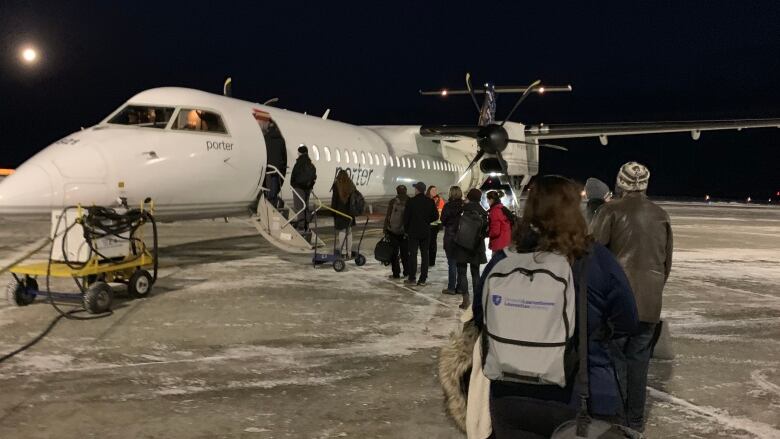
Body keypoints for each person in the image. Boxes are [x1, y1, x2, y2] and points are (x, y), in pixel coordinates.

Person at [474, 175, 639, 437]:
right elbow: (628, 321)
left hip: (510, 397)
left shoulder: (504, 260)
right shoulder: (595, 260)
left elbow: (479, 315)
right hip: (582, 397)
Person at [591, 162, 673, 432]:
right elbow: (666, 264)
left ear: (620, 183)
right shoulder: (661, 215)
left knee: (614, 361)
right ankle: (635, 423)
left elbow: (594, 255)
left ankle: (616, 419)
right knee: (639, 364)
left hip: (617, 303)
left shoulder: (610, 210)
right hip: (649, 302)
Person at [454, 188, 488, 309]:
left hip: (462, 245)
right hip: (476, 246)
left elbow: (455, 227)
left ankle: (465, 299)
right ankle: (477, 300)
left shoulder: (462, 210)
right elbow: (485, 232)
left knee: (462, 272)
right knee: (475, 273)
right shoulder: (483, 212)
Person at [403, 182, 438, 286]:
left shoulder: (411, 201)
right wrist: (427, 221)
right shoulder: (430, 201)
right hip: (425, 232)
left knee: (413, 255)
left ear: (417, 190)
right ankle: (423, 279)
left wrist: (407, 229)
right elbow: (435, 216)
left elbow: (406, 218)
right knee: (425, 255)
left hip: (413, 232)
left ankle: (412, 278)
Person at [439, 186, 464, 296]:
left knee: (452, 263)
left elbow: (443, 220)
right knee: (461, 264)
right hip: (462, 237)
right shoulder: (464, 206)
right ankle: (460, 287)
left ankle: (451, 287)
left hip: (450, 237)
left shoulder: (448, 206)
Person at [384, 185, 410, 280]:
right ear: (406, 191)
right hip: (405, 232)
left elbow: (388, 216)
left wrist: (385, 229)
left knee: (394, 254)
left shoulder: (393, 201)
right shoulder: (410, 201)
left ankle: (396, 273)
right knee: (405, 254)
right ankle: (407, 272)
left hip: (393, 232)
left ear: (397, 191)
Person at [291, 145, 317, 232]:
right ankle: (306, 225)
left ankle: (301, 226)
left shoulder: (299, 163)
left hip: (298, 188)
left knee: (299, 207)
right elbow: (314, 176)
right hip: (307, 188)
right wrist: (310, 186)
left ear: (300, 153)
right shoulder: (310, 164)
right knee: (305, 206)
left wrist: (293, 185)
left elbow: (294, 175)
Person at [331, 170, 356, 257]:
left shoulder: (337, 185)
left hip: (340, 212)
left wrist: (333, 211)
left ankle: (342, 251)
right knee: (349, 232)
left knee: (342, 231)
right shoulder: (351, 185)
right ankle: (349, 252)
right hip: (350, 213)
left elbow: (334, 200)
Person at [427, 185, 445, 266]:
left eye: (435, 190)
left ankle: (431, 261)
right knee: (427, 243)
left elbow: (442, 212)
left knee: (432, 243)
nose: (434, 192)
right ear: (429, 191)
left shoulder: (440, 200)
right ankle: (427, 260)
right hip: (426, 225)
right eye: (432, 190)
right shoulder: (426, 199)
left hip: (435, 225)